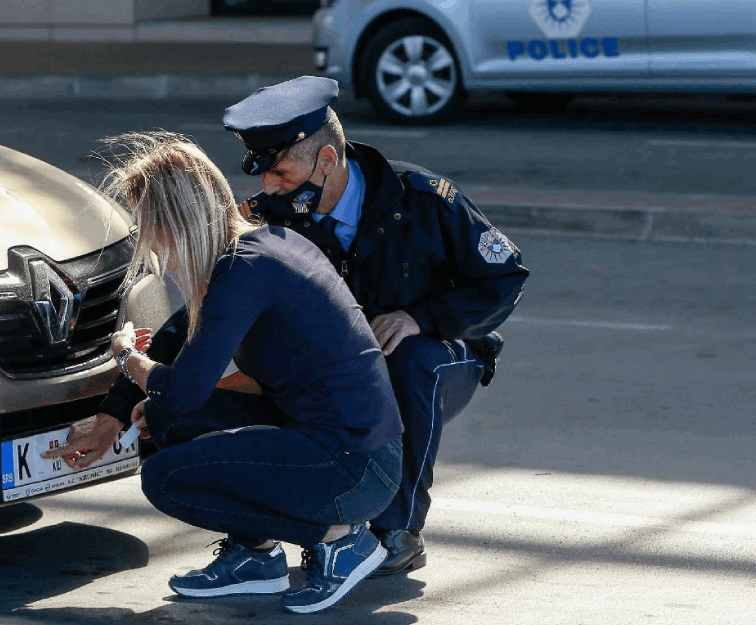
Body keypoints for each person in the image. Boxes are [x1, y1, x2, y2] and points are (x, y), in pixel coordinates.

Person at [42, 131, 404, 614]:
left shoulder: (242, 271)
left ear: (178, 221)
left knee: (167, 480)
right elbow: (177, 342)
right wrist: (112, 416)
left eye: (152, 226)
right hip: (352, 448)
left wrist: (127, 355)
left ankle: (340, 541)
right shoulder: (265, 245)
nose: (151, 244)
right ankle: (256, 558)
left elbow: (186, 388)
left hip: (355, 468)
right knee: (166, 418)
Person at [223, 76, 531, 576]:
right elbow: (216, 305)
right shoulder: (268, 217)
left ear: (327, 160)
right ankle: (260, 539)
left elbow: (504, 277)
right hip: (338, 365)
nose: (269, 187)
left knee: (410, 361)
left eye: (281, 171)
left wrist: (421, 317)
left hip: (439, 356)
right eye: (265, 174)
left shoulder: (423, 198)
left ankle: (397, 531)